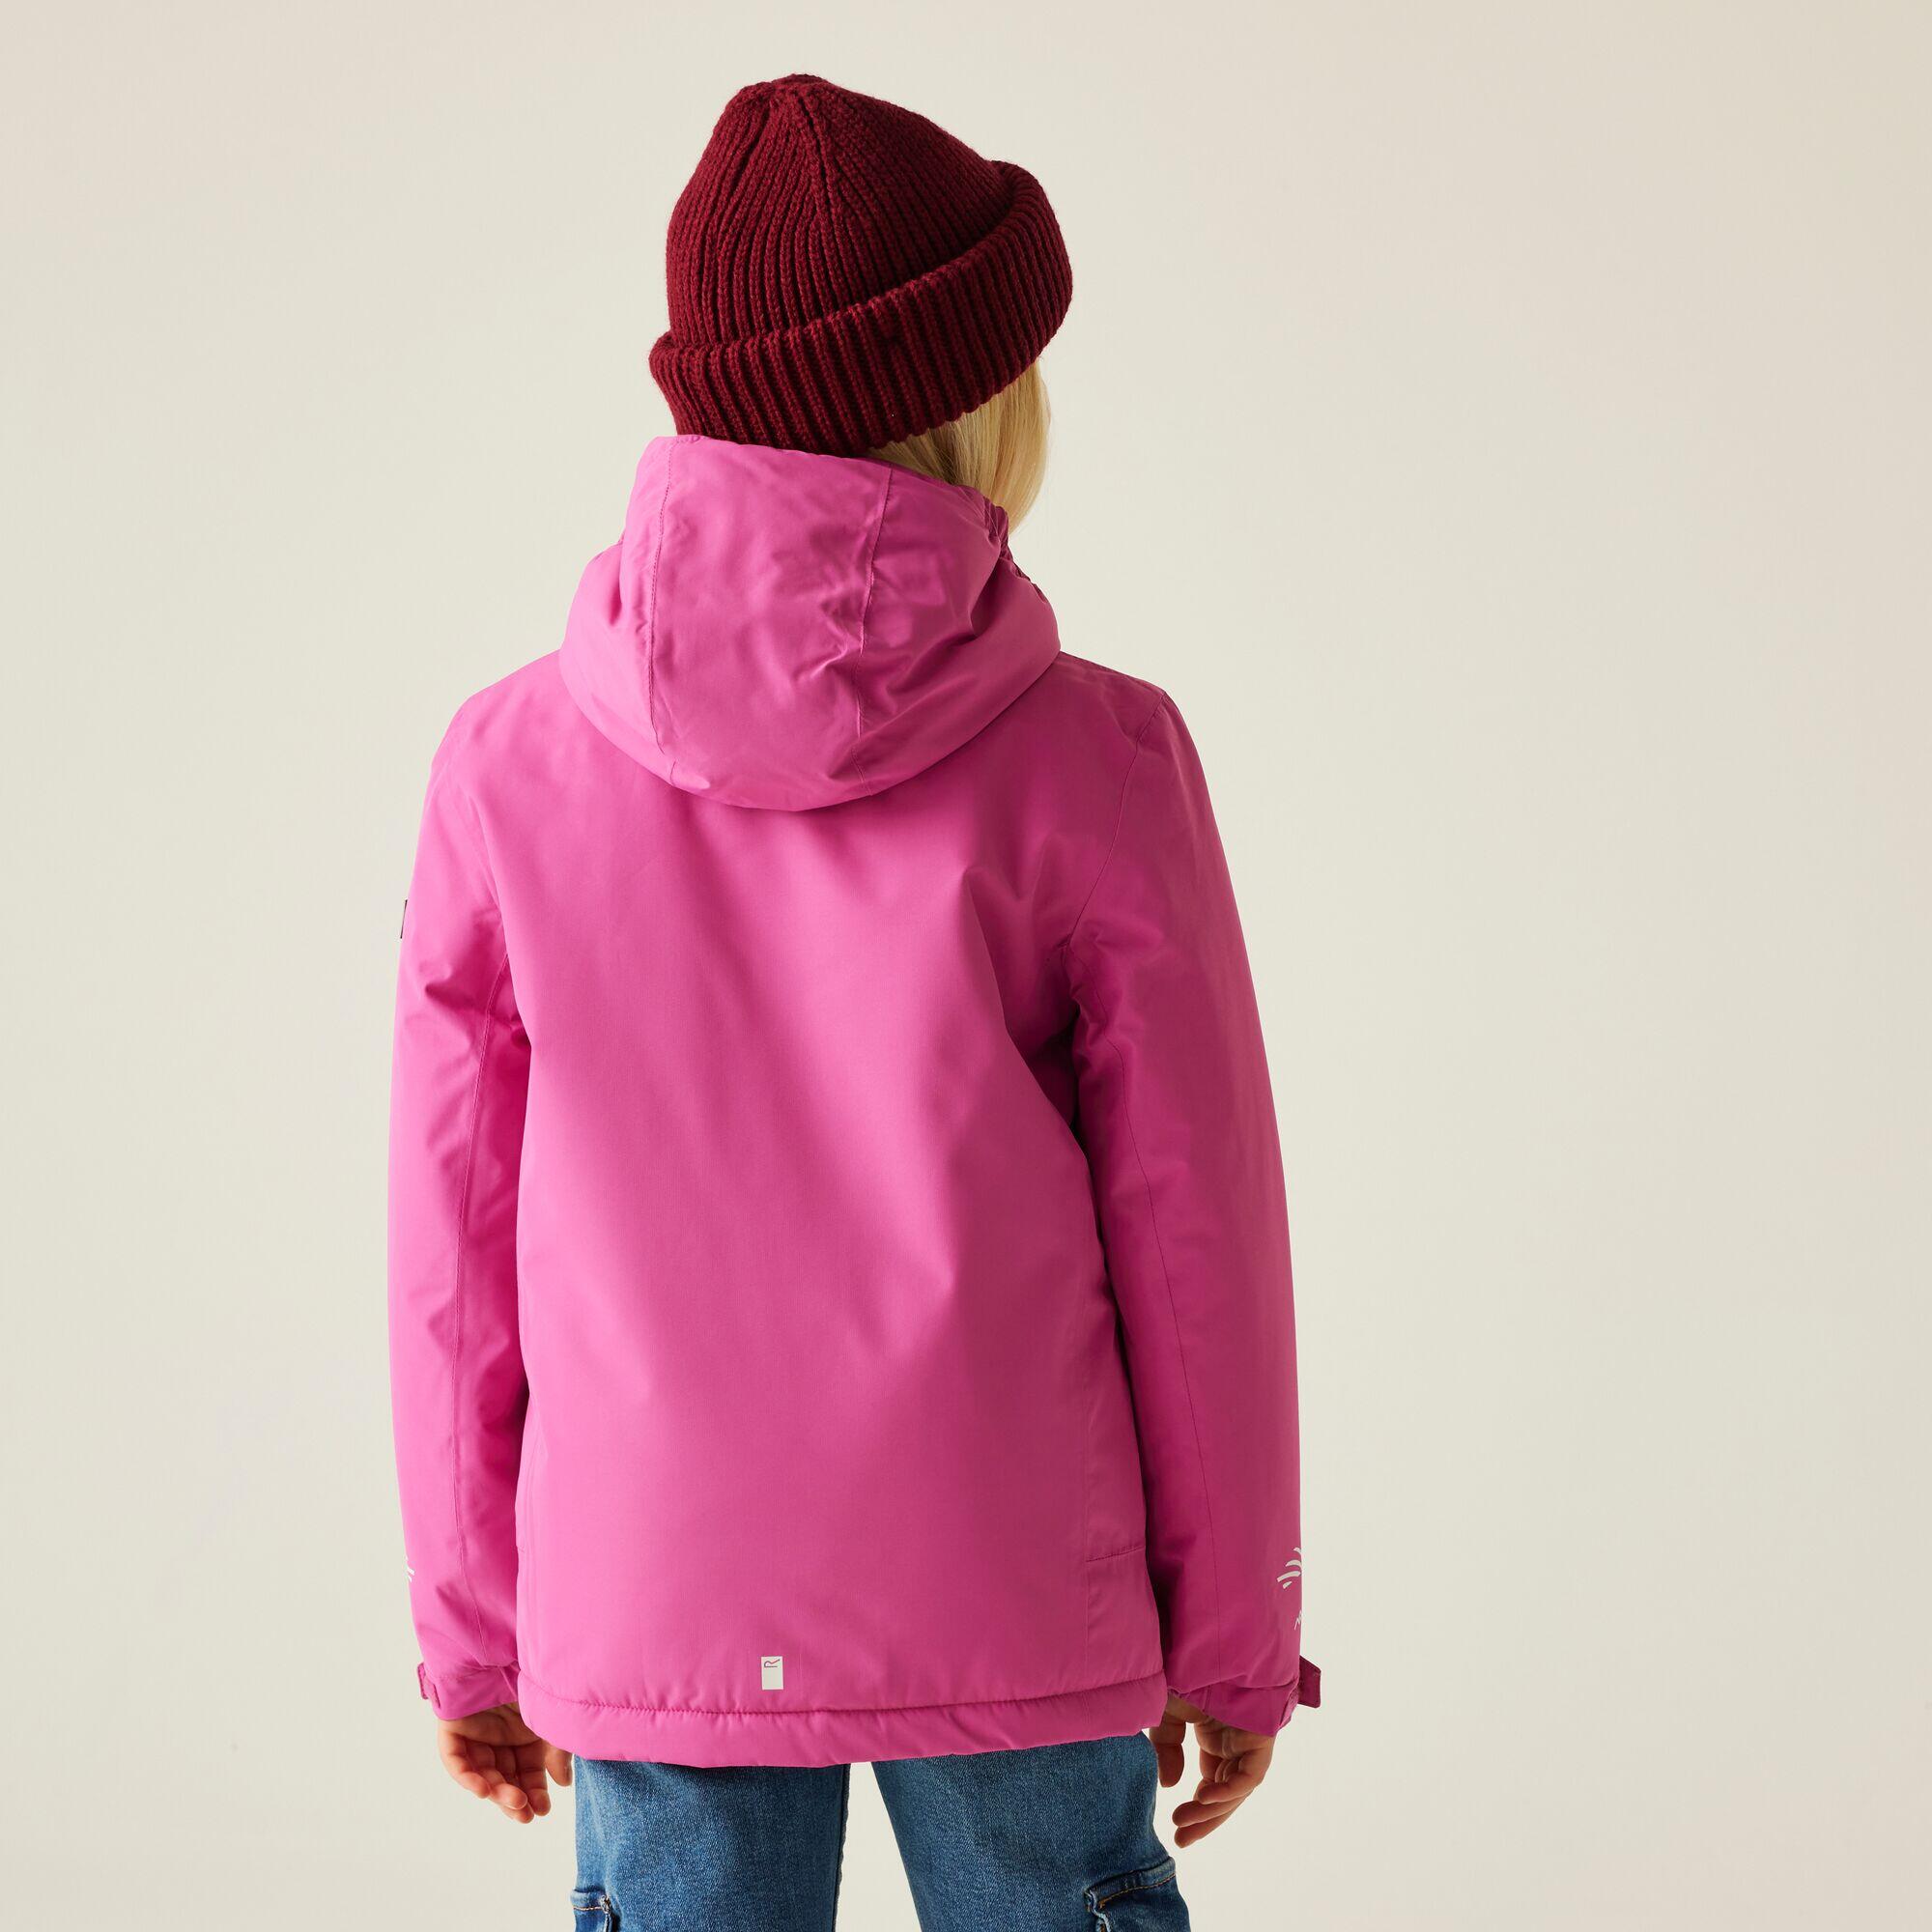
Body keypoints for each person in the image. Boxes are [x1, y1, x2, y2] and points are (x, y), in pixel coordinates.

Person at [388, 73, 1317, 1930]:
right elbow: (1193, 1234)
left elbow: (453, 1240)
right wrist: (1231, 1634)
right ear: (976, 398)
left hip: (653, 1585)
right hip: (1016, 1573)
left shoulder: (505, 764)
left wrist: (475, 1626)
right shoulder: (1100, 756)